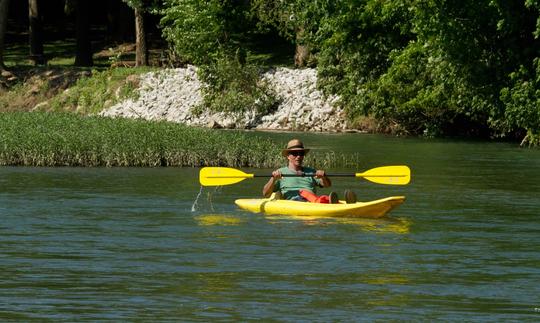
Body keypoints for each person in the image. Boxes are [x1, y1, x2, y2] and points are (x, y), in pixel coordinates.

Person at [262, 139, 357, 204]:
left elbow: (327, 185)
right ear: (288, 156)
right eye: (295, 153)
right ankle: (329, 202)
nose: (298, 156)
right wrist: (273, 179)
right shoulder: (280, 172)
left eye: (301, 153)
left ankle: (339, 203)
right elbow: (266, 194)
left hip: (312, 200)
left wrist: (324, 177)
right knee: (306, 198)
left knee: (318, 199)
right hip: (295, 202)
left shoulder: (311, 171)